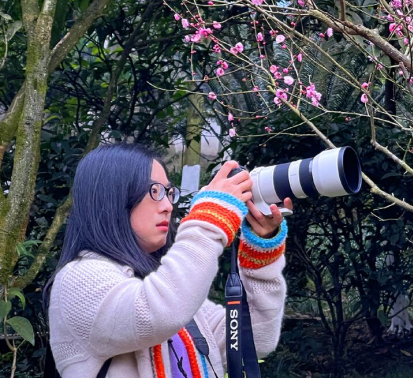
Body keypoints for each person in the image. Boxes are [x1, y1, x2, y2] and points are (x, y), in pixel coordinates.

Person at [46, 143, 292, 378]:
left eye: (168, 192)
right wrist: (210, 217)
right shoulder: (77, 279)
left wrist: (261, 250)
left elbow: (255, 339)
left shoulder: (162, 287)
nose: (167, 206)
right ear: (112, 196)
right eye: (155, 191)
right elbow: (157, 313)